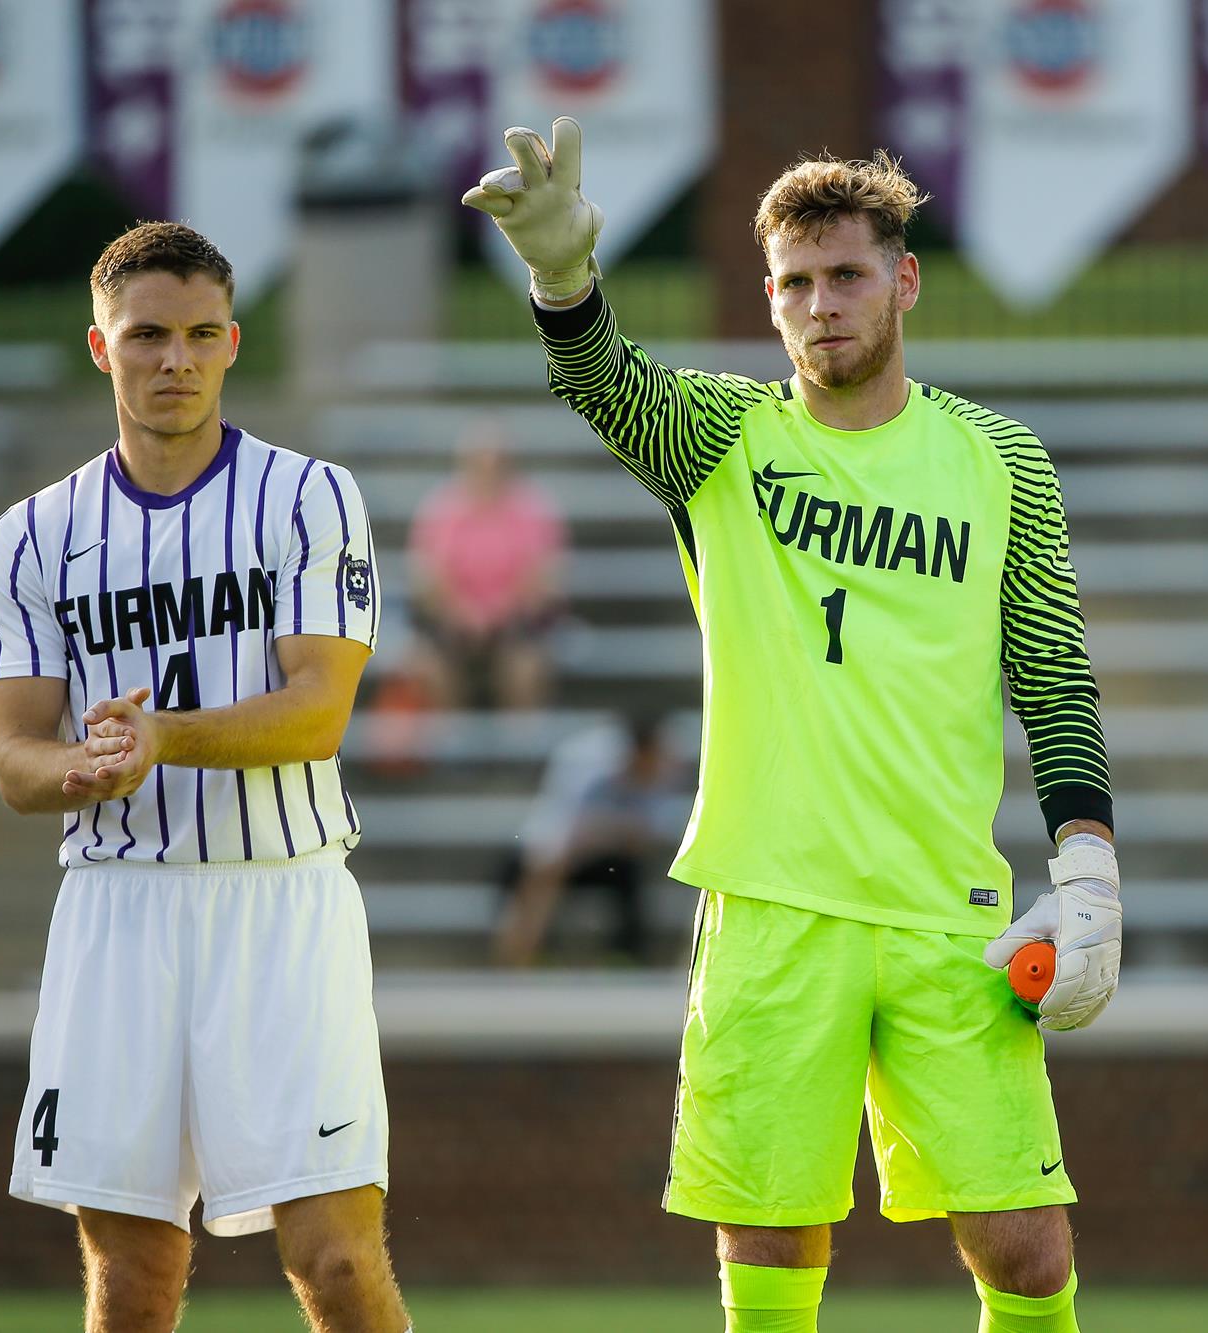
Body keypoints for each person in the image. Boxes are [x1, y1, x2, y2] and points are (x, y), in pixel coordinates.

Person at [465, 121, 1119, 1333]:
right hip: (770, 904)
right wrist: (563, 279)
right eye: (795, 283)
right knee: (769, 1246)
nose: (821, 306)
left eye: (847, 275)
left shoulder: (1001, 460)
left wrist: (1087, 862)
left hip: (948, 908)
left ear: (903, 281)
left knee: (1027, 1253)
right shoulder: (723, 435)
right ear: (769, 300)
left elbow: (1050, 671)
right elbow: (606, 383)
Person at [0, 222, 411, 1333]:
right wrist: (83, 768)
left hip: (282, 894)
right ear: (99, 346)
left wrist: (162, 737)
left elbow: (319, 712)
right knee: (130, 1278)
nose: (175, 359)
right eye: (147, 336)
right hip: (117, 907)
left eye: (200, 335)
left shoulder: (308, 496)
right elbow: (16, 759)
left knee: (337, 1262)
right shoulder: (32, 534)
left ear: (232, 342)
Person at [490, 711, 690, 967]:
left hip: (604, 853)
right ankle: (527, 955)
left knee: (627, 875)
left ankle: (624, 956)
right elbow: (559, 827)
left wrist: (607, 831)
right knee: (534, 878)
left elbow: (654, 830)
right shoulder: (586, 762)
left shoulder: (664, 767)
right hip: (556, 849)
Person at [405, 419, 566, 710]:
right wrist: (463, 612)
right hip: (452, 624)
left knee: (525, 669)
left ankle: (519, 738)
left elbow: (541, 576)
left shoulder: (533, 508)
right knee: (427, 667)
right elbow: (429, 575)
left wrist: (496, 613)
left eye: (497, 463)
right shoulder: (441, 507)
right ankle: (451, 736)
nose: (489, 471)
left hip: (517, 625)